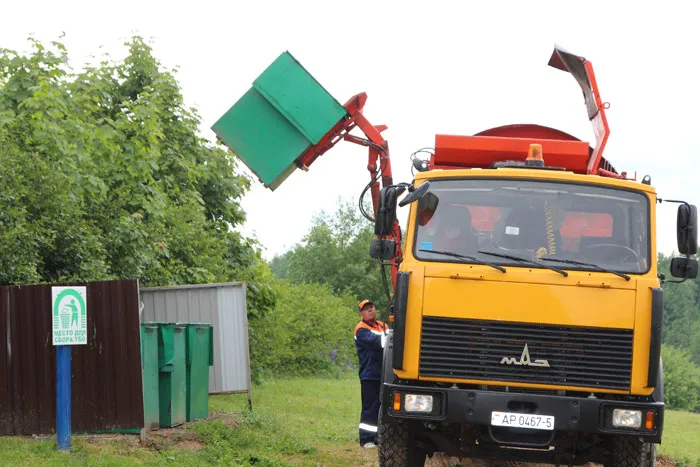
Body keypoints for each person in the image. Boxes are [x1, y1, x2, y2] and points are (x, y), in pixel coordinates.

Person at [354, 299, 389, 449]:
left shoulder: (383, 325)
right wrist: (391, 337)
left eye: (372, 307)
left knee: (382, 407)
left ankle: (378, 438)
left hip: (383, 374)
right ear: (362, 313)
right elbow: (379, 342)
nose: (370, 310)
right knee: (370, 407)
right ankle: (366, 439)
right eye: (366, 309)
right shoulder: (361, 329)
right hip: (369, 374)